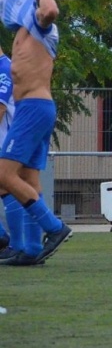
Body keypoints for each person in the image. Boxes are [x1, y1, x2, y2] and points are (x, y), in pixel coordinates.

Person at [0, 0, 72, 265]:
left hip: (33, 107)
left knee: (3, 175)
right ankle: (29, 249)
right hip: (36, 107)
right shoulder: (23, 32)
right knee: (28, 179)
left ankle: (54, 228)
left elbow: (51, 11)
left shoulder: (42, 27)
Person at [0, 46, 43, 262]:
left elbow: (0, 109)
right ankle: (17, 243)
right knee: (11, 189)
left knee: (9, 188)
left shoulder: (5, 68)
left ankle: (15, 243)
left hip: (8, 140)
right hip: (12, 140)